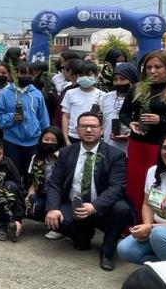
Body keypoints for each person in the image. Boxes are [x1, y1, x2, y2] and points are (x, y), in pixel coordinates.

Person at [45, 111, 133, 271]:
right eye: (84, 126)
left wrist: (95, 206)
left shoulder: (116, 155)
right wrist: (52, 209)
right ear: (77, 129)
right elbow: (55, 183)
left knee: (122, 209)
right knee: (61, 225)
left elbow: (116, 187)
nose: (88, 130)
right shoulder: (66, 152)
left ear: (102, 130)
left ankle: (107, 251)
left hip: (101, 207)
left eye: (93, 126)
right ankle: (82, 234)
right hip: (75, 204)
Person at [120, 50, 166, 222]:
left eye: (158, 67)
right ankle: (134, 225)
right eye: (149, 67)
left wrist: (162, 120)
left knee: (159, 187)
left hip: (164, 149)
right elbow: (124, 113)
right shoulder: (137, 89)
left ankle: (158, 226)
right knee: (136, 186)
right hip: (137, 145)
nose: (152, 71)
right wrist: (130, 123)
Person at [117, 131, 166, 264]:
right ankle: (163, 265)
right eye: (165, 148)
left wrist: (151, 228)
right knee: (125, 249)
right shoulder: (153, 171)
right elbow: (147, 204)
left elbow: (157, 231)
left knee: (159, 235)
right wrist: (146, 226)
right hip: (158, 229)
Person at [0, 61, 49, 177]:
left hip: (34, 141)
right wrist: (12, 117)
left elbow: (43, 119)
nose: (25, 77)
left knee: (33, 175)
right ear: (14, 75)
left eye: (29, 74)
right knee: (14, 174)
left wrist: (44, 139)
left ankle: (30, 195)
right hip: (12, 141)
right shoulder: (6, 94)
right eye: (22, 74)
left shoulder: (37, 94)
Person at [24, 126, 66, 239]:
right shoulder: (36, 157)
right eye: (46, 139)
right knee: (31, 207)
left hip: (60, 196)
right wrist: (30, 195)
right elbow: (33, 179)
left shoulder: (66, 157)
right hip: (42, 193)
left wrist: (60, 158)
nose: (49, 143)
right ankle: (47, 221)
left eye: (53, 140)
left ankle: (59, 228)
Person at [62, 62, 105, 145]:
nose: (85, 78)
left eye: (89, 75)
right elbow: (65, 116)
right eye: (81, 75)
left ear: (96, 75)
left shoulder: (102, 95)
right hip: (73, 136)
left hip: (94, 136)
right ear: (77, 76)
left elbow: (105, 118)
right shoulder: (70, 93)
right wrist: (66, 139)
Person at [101, 63, 138, 153]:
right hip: (109, 148)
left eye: (122, 79)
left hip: (131, 150)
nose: (118, 83)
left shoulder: (140, 98)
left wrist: (130, 135)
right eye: (115, 79)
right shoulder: (107, 97)